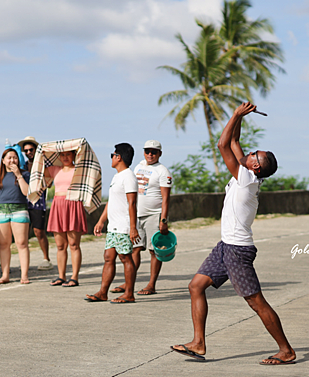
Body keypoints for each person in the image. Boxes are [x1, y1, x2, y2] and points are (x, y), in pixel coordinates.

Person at [170, 102, 296, 365]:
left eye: (253, 155)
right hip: (225, 246)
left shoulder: (247, 179)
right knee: (196, 286)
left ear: (257, 168)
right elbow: (235, 139)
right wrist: (242, 117)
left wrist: (236, 114)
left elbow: (222, 144)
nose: (248, 153)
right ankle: (199, 343)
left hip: (238, 251)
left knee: (256, 302)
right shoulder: (246, 171)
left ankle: (286, 350)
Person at [27, 138, 103, 286]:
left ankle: (74, 277)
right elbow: (38, 165)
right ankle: (61, 276)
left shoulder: (79, 169)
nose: (65, 157)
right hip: (58, 205)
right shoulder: (55, 169)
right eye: (62, 155)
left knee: (74, 244)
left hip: (73, 205)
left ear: (74, 155)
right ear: (58, 156)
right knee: (60, 246)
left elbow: (93, 166)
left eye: (68, 154)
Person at [111, 140, 172, 296]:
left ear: (160, 153)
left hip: (154, 214)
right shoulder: (138, 167)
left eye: (154, 152)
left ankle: (151, 284)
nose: (150, 154)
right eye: (147, 151)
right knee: (135, 249)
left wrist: (163, 220)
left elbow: (166, 198)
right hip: (138, 214)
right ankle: (129, 282)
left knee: (154, 251)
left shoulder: (163, 171)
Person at [86, 143, 139, 303]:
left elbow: (132, 203)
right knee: (109, 257)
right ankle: (103, 292)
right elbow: (111, 202)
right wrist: (101, 220)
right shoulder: (117, 177)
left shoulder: (129, 176)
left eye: (113, 155)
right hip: (113, 226)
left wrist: (133, 228)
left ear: (119, 157)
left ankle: (129, 294)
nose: (111, 158)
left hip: (123, 226)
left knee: (125, 258)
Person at [0, 148, 31, 284]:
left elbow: (26, 192)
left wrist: (19, 175)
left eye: (14, 158)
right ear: (3, 161)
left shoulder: (25, 174)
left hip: (19, 210)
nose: (12, 160)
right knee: (3, 244)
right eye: (9, 158)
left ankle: (24, 275)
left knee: (22, 243)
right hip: (1, 212)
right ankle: (5, 275)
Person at [18, 136, 53, 271]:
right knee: (22, 233)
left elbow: (49, 183)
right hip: (23, 202)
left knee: (39, 231)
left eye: (30, 150)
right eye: (25, 151)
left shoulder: (44, 164)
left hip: (38, 202)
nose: (28, 153)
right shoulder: (23, 166)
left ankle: (46, 258)